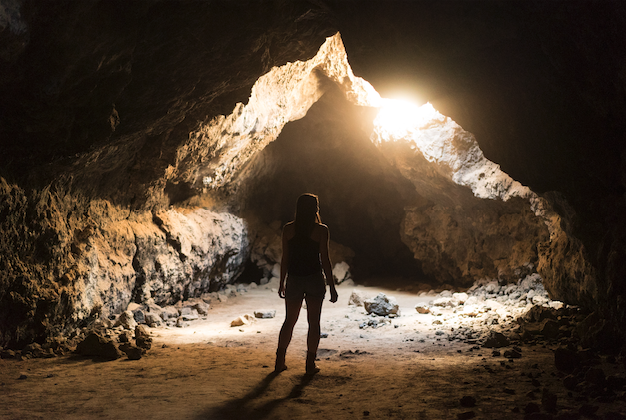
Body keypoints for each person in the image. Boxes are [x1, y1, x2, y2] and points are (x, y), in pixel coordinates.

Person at [275, 193, 338, 374]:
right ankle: (310, 364)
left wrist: (282, 282)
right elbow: (325, 260)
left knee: (289, 321)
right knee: (314, 323)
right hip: (314, 279)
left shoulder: (288, 229)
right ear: (315, 209)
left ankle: (279, 361)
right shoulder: (321, 230)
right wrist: (332, 286)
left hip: (294, 279)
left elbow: (285, 258)